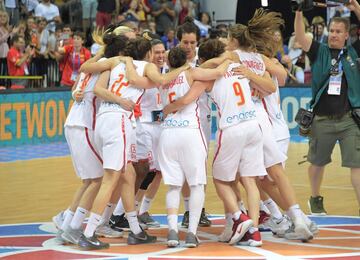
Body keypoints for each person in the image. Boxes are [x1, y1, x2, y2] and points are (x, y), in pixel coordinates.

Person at [294, 0, 360, 216]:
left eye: (338, 31)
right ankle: (315, 198)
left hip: (350, 120)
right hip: (322, 119)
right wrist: (298, 12)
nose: (333, 34)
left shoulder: (353, 53)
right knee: (316, 163)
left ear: (346, 35)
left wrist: (357, 9)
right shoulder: (319, 51)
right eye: (331, 30)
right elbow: (301, 38)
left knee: (357, 165)